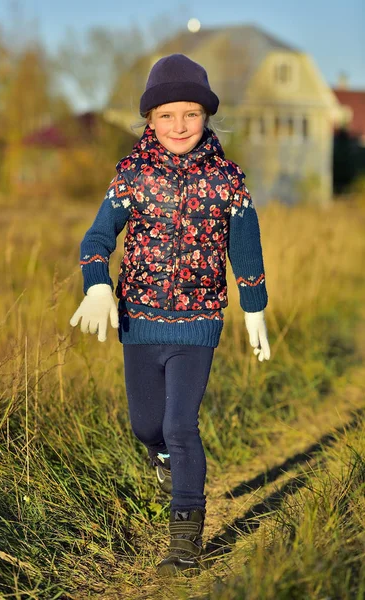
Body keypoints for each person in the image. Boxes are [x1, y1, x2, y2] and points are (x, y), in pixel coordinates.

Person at [70, 54, 270, 576]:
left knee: (182, 425)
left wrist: (255, 311)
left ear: (206, 118)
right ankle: (163, 460)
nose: (178, 126)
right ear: (149, 121)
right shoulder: (132, 175)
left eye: (190, 114)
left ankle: (185, 541)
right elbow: (96, 238)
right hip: (139, 321)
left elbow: (245, 248)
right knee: (147, 427)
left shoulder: (228, 180)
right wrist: (97, 285)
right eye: (166, 115)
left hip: (198, 324)